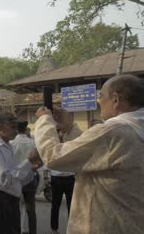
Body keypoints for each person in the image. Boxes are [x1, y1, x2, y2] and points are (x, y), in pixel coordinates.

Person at [32, 74, 144, 233]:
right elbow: (92, 154)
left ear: (115, 99)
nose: (99, 101)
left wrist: (44, 120)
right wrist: (69, 127)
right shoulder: (136, 128)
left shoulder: (114, 130)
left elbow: (53, 156)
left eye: (101, 95)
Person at [0, 112, 42, 234]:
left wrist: (31, 170)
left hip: (11, 200)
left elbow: (17, 180)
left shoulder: (9, 146)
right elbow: (5, 179)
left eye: (16, 127)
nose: (15, 131)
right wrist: (28, 161)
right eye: (12, 127)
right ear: (0, 127)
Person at [48, 110, 81, 234]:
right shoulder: (53, 138)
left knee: (71, 206)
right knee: (55, 205)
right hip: (57, 177)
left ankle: (71, 229)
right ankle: (54, 229)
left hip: (69, 177)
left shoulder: (73, 135)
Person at [11, 121, 38, 234]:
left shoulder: (11, 143)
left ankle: (17, 230)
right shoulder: (32, 143)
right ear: (26, 128)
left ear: (16, 130)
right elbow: (37, 161)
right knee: (30, 210)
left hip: (15, 179)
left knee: (15, 209)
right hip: (30, 178)